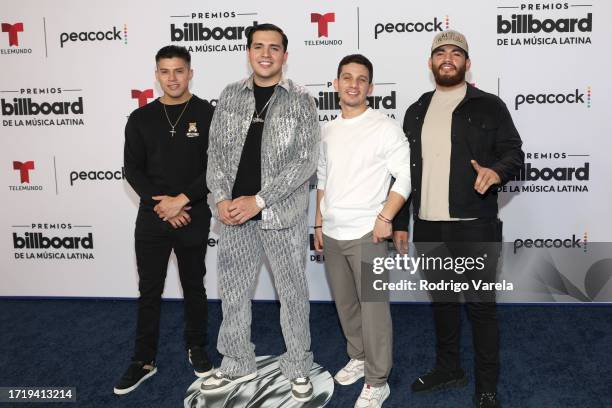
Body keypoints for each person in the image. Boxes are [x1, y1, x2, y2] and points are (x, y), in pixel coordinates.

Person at [392, 30, 524, 408]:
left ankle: (486, 386)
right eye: (440, 53)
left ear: (467, 63)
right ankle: (449, 367)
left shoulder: (490, 106)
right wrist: (401, 221)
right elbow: (404, 173)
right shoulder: (416, 108)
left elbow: (515, 154)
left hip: (475, 225)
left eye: (456, 53)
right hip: (429, 225)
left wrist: (497, 172)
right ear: (430, 62)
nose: (447, 59)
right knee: (443, 302)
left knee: (481, 306)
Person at [201, 24, 319, 402]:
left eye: (274, 48)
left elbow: (304, 162)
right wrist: (220, 199)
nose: (265, 54)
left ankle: (298, 365)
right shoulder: (230, 95)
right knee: (232, 295)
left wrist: (260, 199)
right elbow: (216, 153)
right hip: (234, 214)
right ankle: (236, 362)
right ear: (249, 52)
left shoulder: (301, 100)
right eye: (258, 47)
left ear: (285, 55)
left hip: (280, 216)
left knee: (292, 294)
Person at [114, 45, 214, 395]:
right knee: (149, 290)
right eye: (165, 71)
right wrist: (164, 206)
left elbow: (214, 168)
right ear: (156, 75)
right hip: (153, 217)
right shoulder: (140, 118)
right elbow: (133, 170)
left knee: (194, 286)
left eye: (179, 71)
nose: (172, 78)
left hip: (193, 214)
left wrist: (182, 201)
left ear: (190, 73)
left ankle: (197, 346)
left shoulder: (207, 113)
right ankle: (143, 360)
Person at [314, 54, 411, 408]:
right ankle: (358, 356)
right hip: (335, 232)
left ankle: (377, 379)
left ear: (370, 88)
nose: (353, 84)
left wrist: (385, 217)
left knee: (374, 308)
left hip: (368, 235)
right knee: (346, 303)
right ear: (336, 84)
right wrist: (319, 220)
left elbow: (405, 176)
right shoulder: (326, 130)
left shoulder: (385, 127)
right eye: (346, 77)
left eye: (361, 79)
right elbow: (323, 178)